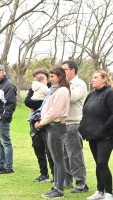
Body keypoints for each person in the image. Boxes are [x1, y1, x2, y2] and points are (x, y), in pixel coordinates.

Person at [35, 67, 70, 198]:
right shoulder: (56, 90)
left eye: (53, 77)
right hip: (51, 126)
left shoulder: (63, 91)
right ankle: (56, 186)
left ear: (60, 77)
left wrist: (41, 122)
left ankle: (59, 190)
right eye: (50, 77)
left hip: (56, 126)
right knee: (55, 160)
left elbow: (54, 112)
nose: (50, 79)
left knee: (58, 160)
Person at [79, 70, 113, 200]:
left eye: (95, 77)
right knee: (98, 164)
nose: (92, 79)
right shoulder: (91, 94)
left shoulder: (109, 93)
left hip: (106, 136)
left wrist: (103, 129)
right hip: (92, 136)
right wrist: (82, 127)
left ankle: (109, 193)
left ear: (104, 79)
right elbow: (86, 112)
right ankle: (100, 191)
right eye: (92, 77)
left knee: (102, 163)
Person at [61, 59, 89, 193]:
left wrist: (61, 89)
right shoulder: (63, 84)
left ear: (73, 70)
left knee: (74, 155)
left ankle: (81, 184)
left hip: (74, 123)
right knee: (64, 155)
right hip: (62, 123)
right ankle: (67, 181)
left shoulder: (79, 84)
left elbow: (71, 98)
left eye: (65, 69)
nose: (62, 72)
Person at [25, 69, 54, 183]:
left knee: (50, 150)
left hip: (47, 123)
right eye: (34, 77)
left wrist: (37, 104)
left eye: (38, 77)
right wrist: (40, 104)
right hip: (34, 123)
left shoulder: (50, 88)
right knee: (38, 149)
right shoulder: (34, 87)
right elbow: (27, 102)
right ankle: (44, 174)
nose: (35, 80)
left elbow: (49, 103)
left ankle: (55, 175)